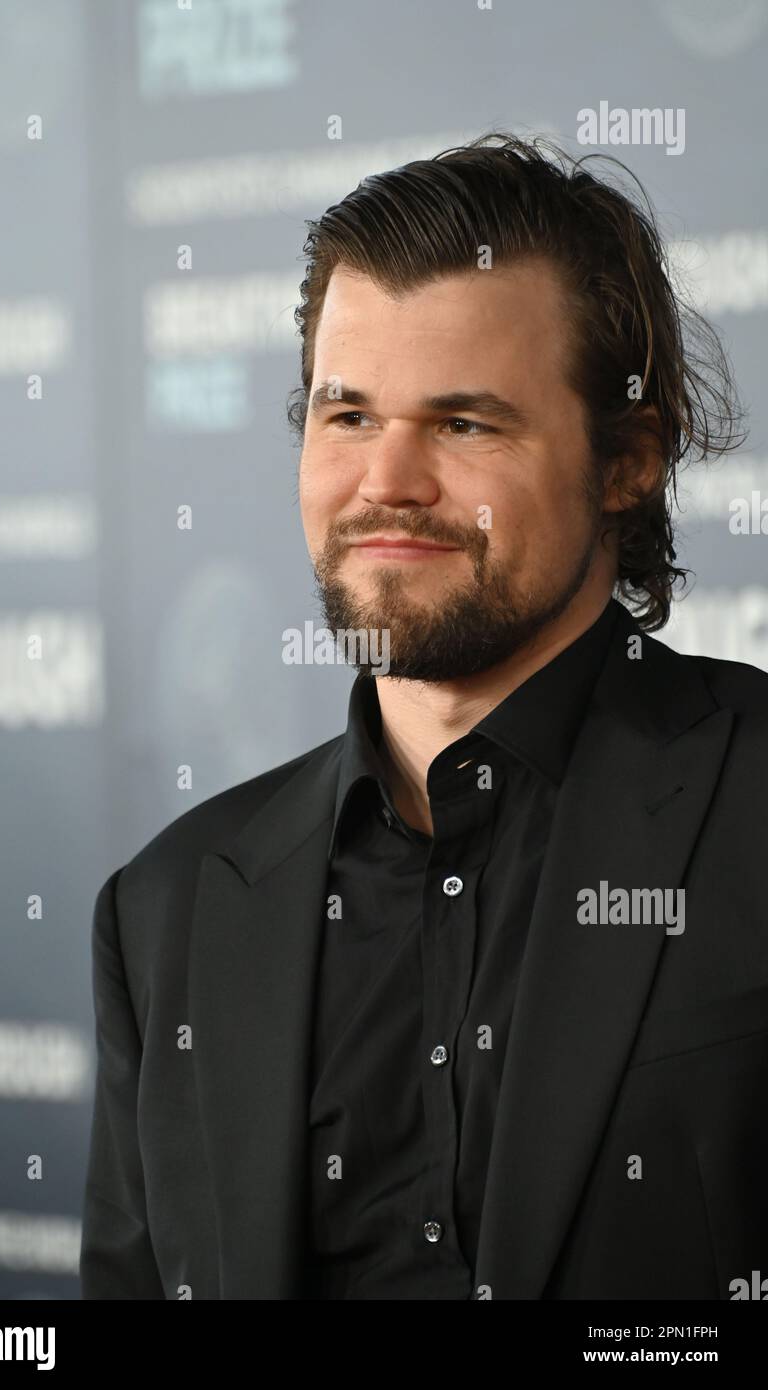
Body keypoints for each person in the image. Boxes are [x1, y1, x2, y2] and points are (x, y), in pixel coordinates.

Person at [80, 132, 767, 1300]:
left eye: (464, 423)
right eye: (346, 415)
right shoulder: (169, 910)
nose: (386, 480)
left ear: (629, 460)